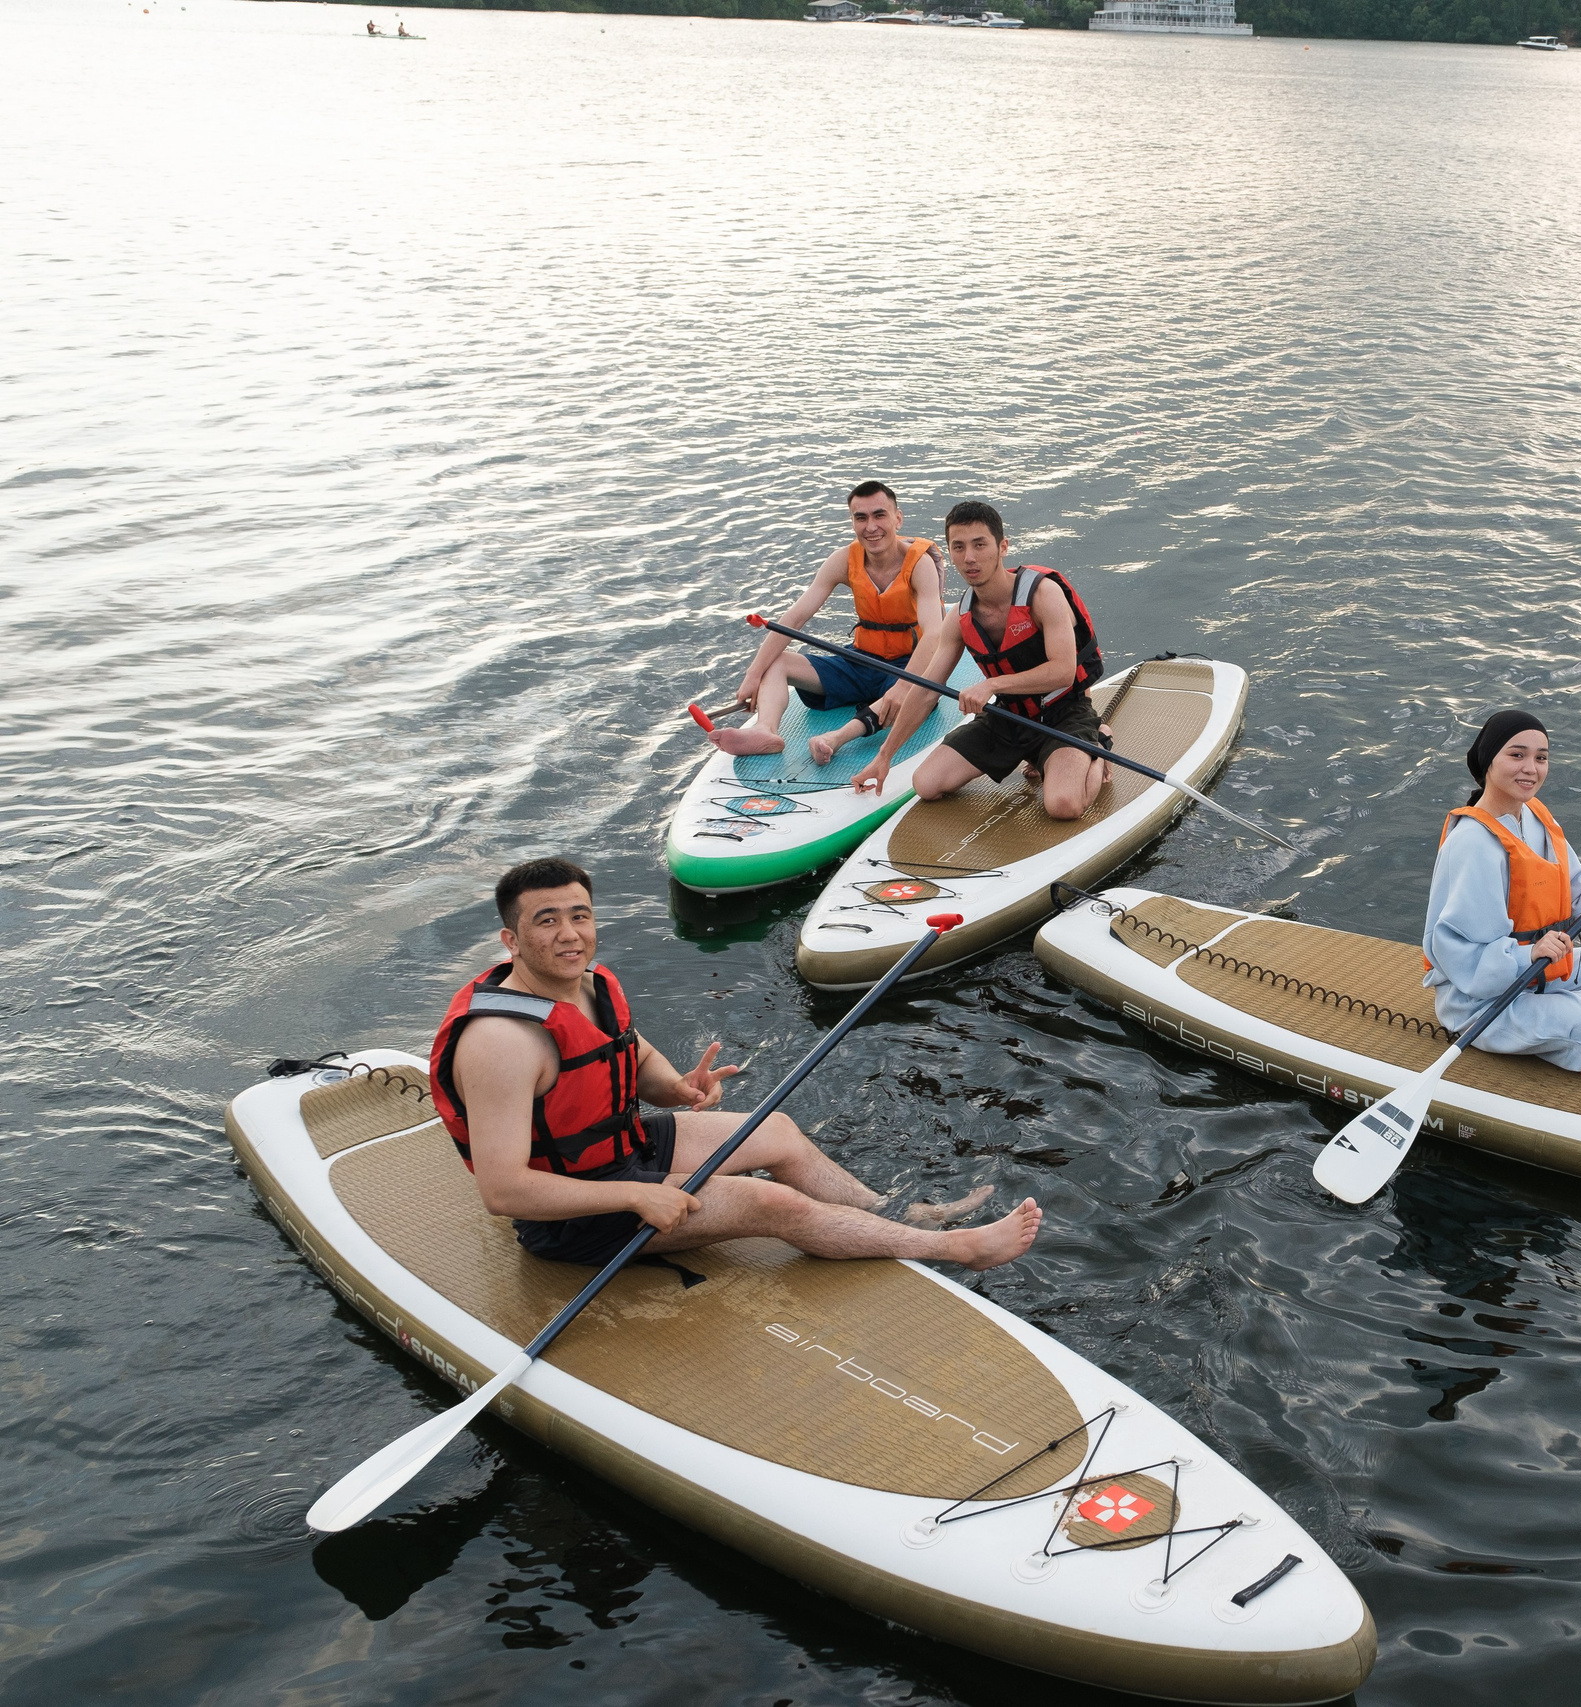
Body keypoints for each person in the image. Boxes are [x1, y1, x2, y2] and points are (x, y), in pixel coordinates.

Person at [428, 856, 1041, 1269]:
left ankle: (898, 1214)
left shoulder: (589, 983)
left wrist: (676, 1087)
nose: (570, 934)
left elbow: (631, 1054)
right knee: (772, 1204)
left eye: (579, 915)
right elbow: (503, 1190)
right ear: (511, 941)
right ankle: (956, 1249)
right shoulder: (501, 1043)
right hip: (576, 1213)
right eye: (547, 921)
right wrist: (636, 1197)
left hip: (625, 1152)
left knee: (776, 1131)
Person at [1421, 711, 1581, 1077]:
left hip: (1542, 975)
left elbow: (1579, 897)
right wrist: (1528, 955)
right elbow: (1461, 955)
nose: (1531, 768)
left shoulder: (1537, 817)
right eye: (1517, 755)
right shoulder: (1473, 843)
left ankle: (1575, 1032)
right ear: (1488, 761)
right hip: (1483, 1002)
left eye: (1541, 758)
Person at [854, 500, 1111, 822]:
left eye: (979, 545)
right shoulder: (959, 618)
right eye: (958, 547)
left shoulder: (1042, 594)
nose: (969, 558)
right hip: (1009, 717)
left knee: (1062, 805)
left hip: (1064, 713)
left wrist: (992, 684)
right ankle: (1037, 757)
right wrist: (885, 756)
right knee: (926, 784)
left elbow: (1063, 672)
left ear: (1002, 547)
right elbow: (925, 691)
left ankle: (1099, 746)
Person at [703, 481, 946, 771]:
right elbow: (794, 618)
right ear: (852, 522)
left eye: (879, 515)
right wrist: (753, 675)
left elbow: (934, 634)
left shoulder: (919, 564)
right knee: (776, 661)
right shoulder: (843, 560)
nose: (871, 527)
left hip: (907, 665)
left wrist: (903, 685)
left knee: (911, 694)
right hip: (861, 661)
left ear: (897, 518)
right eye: (861, 518)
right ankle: (765, 730)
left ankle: (836, 738)